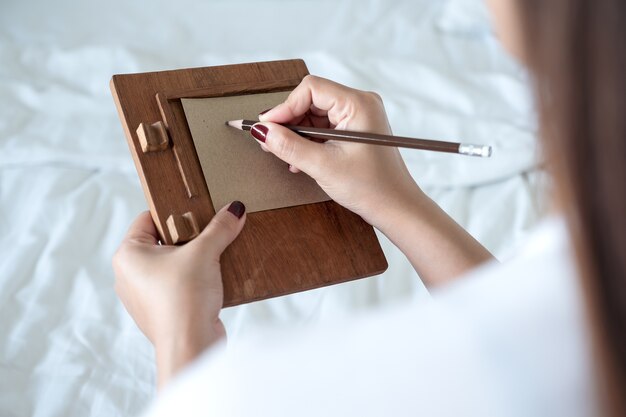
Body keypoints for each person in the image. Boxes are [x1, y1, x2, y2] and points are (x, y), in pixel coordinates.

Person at [112, 0, 625, 415]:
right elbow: (523, 336)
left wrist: (180, 338)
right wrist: (397, 200)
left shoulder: (258, 391)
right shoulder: (586, 293)